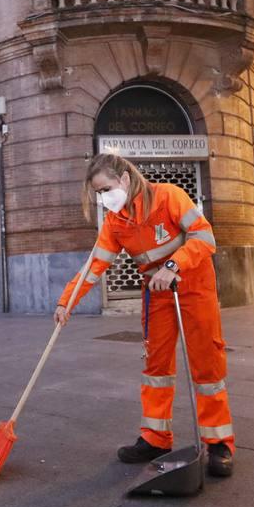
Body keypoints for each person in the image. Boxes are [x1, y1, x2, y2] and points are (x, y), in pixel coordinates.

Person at [55, 153, 234, 478]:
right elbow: (95, 266)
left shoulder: (169, 196)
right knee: (156, 367)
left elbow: (204, 237)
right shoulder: (116, 222)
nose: (104, 198)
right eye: (98, 194)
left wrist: (173, 265)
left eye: (106, 188)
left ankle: (219, 442)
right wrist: (66, 302)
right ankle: (155, 438)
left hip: (194, 284)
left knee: (207, 362)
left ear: (124, 179)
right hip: (156, 290)